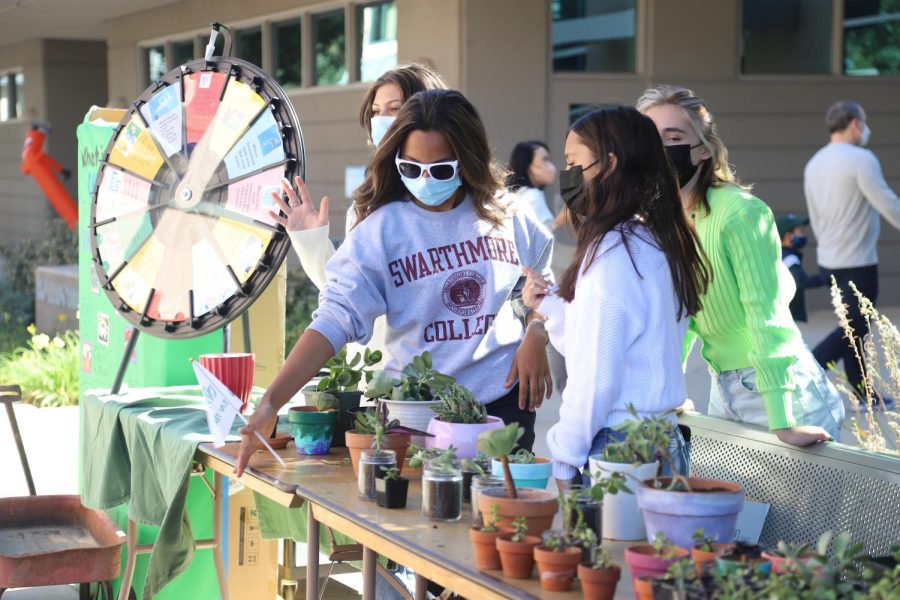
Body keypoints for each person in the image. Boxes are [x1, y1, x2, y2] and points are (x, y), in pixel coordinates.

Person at [237, 89, 554, 476]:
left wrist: (536, 332)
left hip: (503, 407)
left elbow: (541, 285)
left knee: (499, 527)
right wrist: (271, 401)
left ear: (467, 161)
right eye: (410, 168)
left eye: (439, 170)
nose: (424, 180)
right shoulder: (380, 231)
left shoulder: (509, 215)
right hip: (416, 415)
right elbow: (335, 318)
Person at [637, 85, 845, 447]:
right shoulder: (668, 221)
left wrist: (783, 421)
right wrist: (671, 390)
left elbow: (766, 316)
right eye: (650, 138)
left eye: (673, 136)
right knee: (735, 504)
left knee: (797, 506)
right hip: (725, 387)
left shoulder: (741, 213)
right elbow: (683, 315)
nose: (661, 149)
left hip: (783, 391)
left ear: (703, 150)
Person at [521, 106, 709, 486]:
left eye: (574, 162)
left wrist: (564, 455)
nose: (568, 175)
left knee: (608, 548)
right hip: (660, 441)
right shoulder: (655, 238)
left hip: (618, 449)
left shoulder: (614, 252)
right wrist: (553, 306)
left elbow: (597, 377)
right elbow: (616, 344)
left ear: (608, 165)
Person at [804, 100, 900, 398]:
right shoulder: (861, 158)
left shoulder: (815, 162)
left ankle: (863, 393)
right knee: (852, 327)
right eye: (865, 122)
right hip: (858, 259)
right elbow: (885, 201)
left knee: (853, 327)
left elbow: (815, 214)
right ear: (856, 123)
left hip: (829, 259)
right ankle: (806, 372)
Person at [507, 141, 567, 232]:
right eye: (545, 160)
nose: (551, 166)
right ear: (528, 166)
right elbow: (539, 239)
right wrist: (563, 217)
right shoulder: (532, 196)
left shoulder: (516, 194)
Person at [776, 213, 823, 323]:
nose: (804, 236)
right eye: (801, 232)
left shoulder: (778, 255)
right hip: (789, 317)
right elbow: (801, 280)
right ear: (788, 236)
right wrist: (827, 277)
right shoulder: (789, 258)